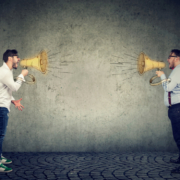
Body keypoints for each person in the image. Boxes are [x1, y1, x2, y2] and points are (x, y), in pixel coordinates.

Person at [0, 49, 28, 173]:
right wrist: (22, 75)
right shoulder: (5, 72)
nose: (19, 59)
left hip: (3, 106)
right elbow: (15, 87)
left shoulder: (5, 71)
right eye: (17, 57)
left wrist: (13, 101)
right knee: (0, 136)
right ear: (10, 58)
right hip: (1, 108)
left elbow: (4, 90)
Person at [156, 49, 180, 174]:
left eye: (170, 57)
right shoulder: (176, 71)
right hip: (176, 109)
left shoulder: (178, 70)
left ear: (177, 58)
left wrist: (162, 76)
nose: (167, 59)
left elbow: (168, 87)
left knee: (179, 137)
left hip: (177, 109)